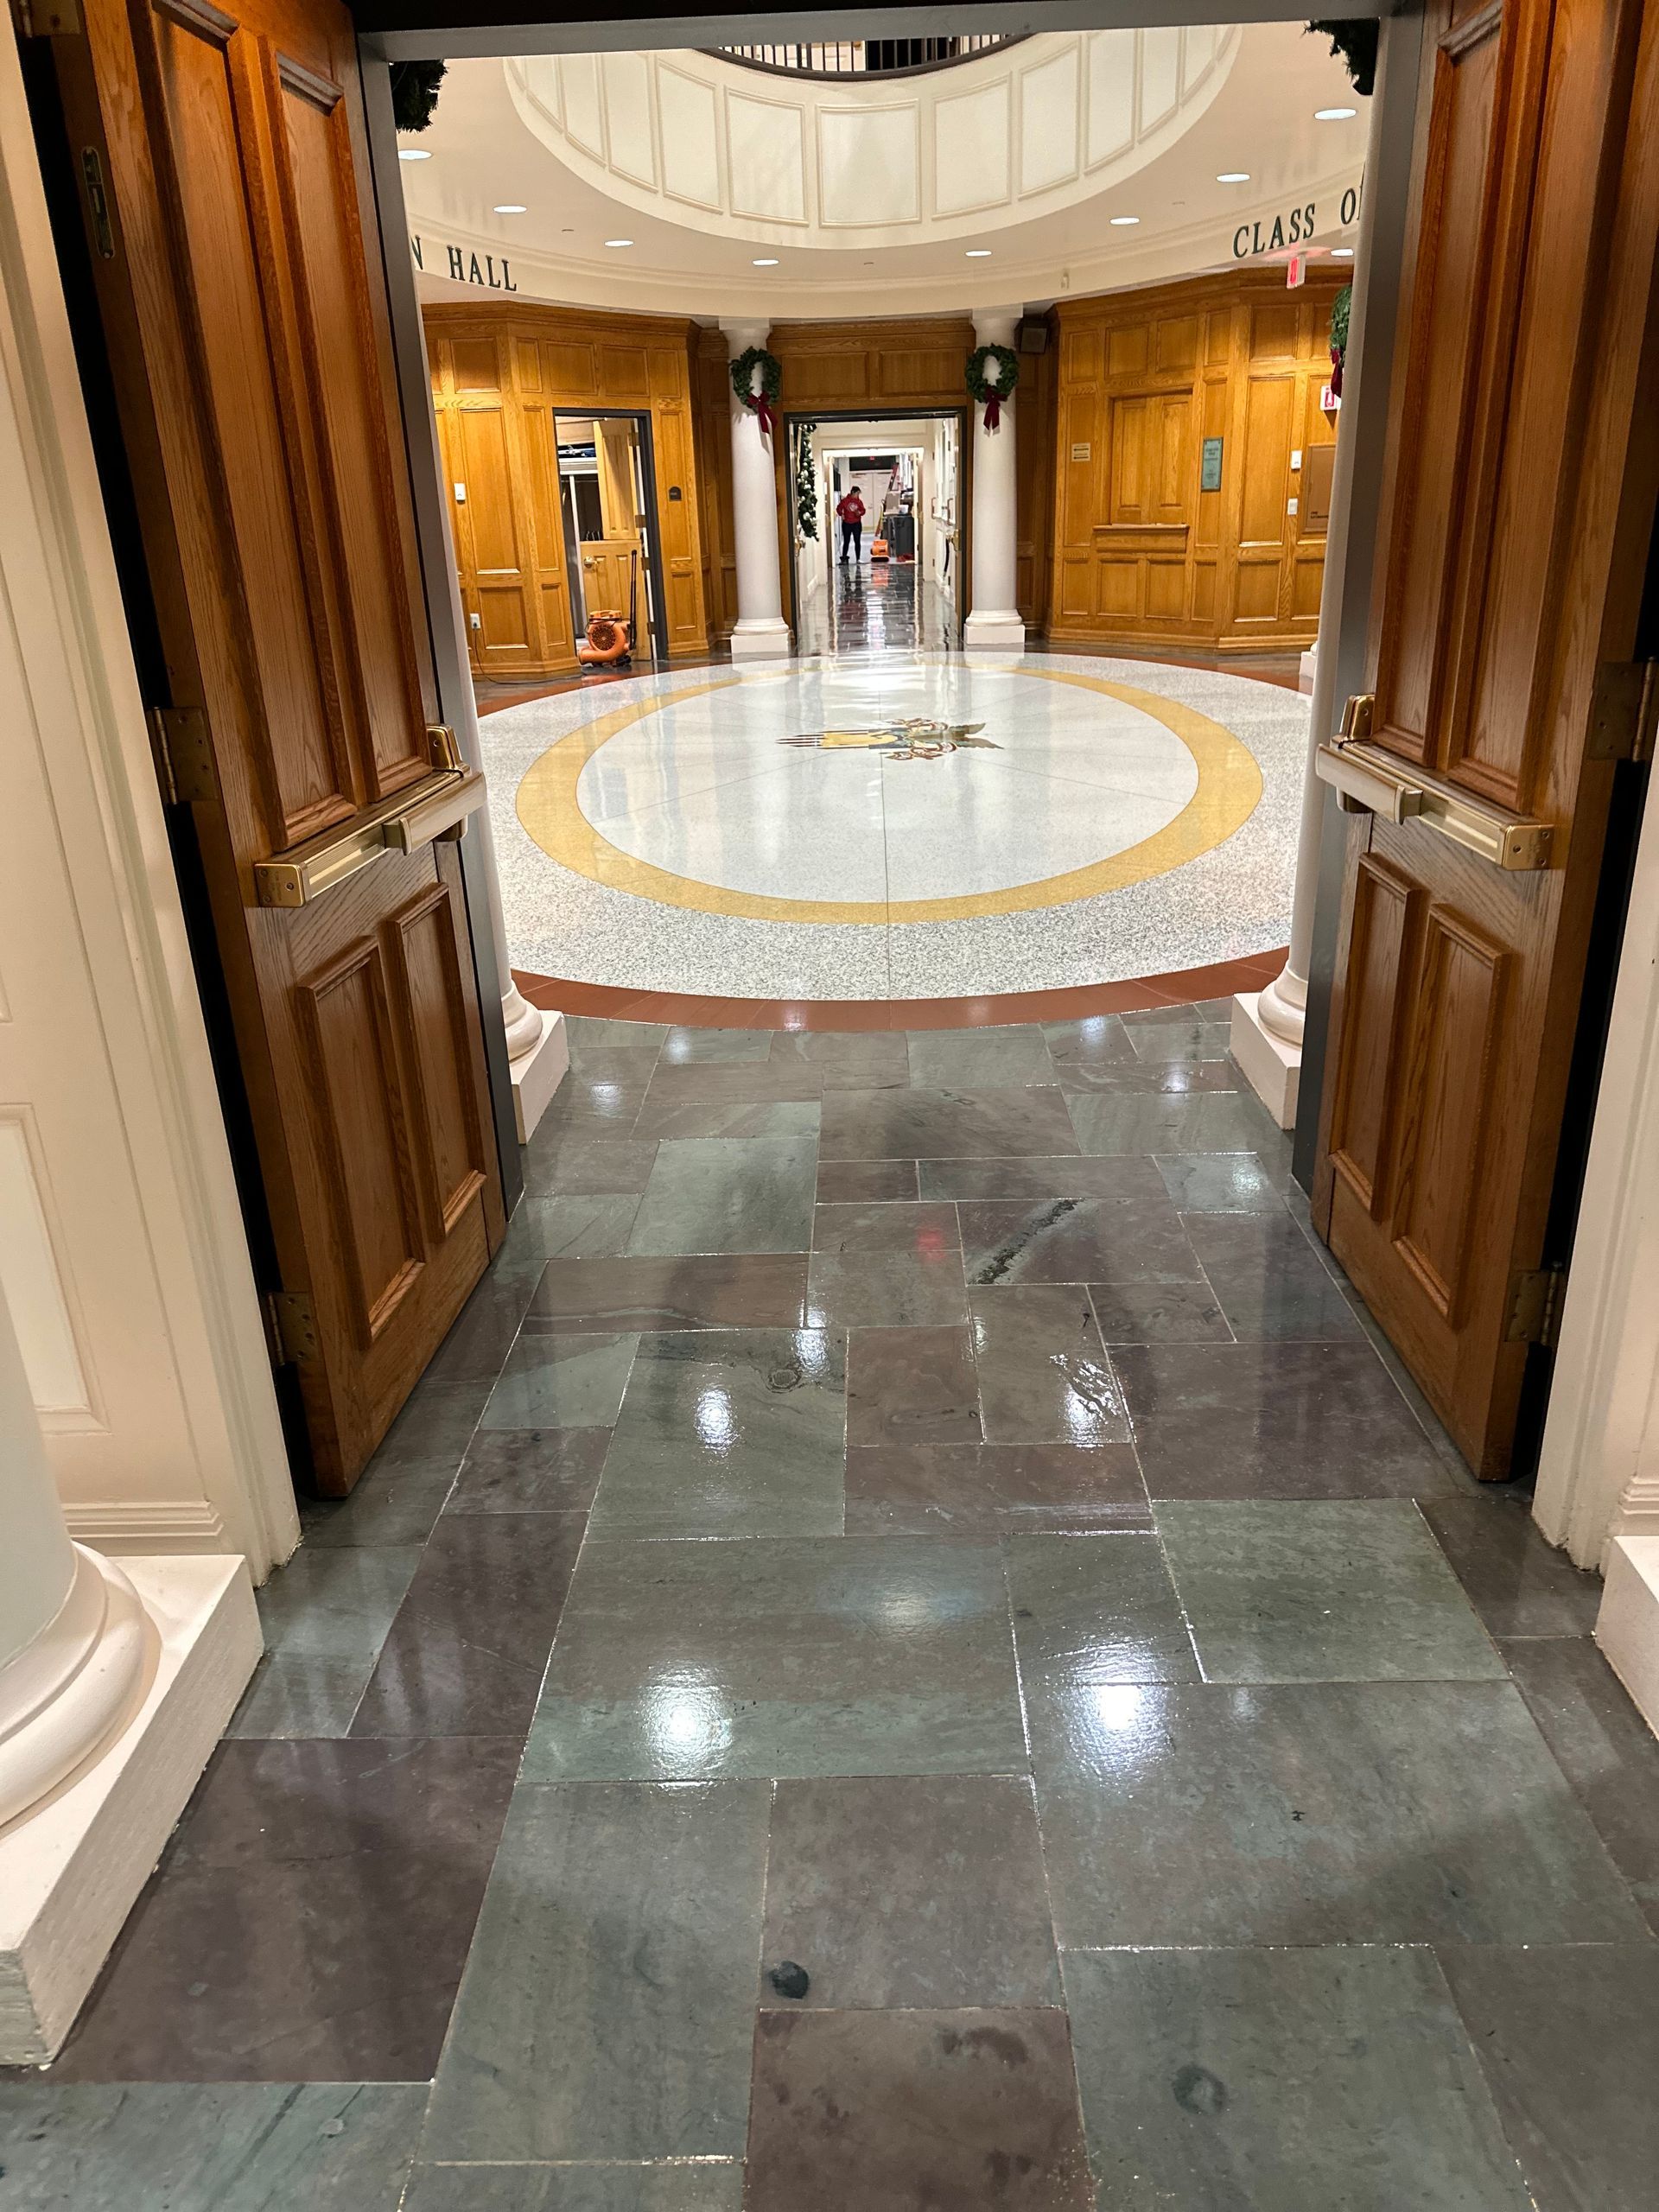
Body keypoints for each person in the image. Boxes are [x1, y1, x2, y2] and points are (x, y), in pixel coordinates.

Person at [836, 486, 867, 565]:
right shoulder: (845, 501)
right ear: (853, 492)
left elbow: (863, 510)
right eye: (857, 493)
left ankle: (858, 559)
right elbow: (838, 508)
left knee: (857, 541)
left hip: (856, 523)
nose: (858, 495)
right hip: (847, 523)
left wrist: (859, 513)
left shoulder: (859, 502)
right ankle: (844, 558)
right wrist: (841, 514)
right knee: (846, 541)